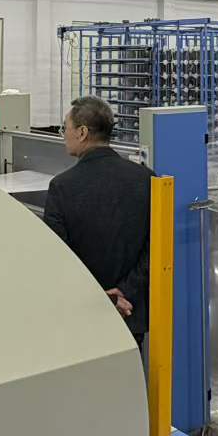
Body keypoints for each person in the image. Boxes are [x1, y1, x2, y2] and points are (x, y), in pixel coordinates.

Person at [42, 97, 153, 346]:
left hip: (82, 313)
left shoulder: (62, 187)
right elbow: (155, 247)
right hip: (129, 309)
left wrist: (100, 297)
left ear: (82, 133)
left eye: (65, 128)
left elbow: (58, 256)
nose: (63, 135)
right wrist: (124, 292)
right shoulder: (145, 178)